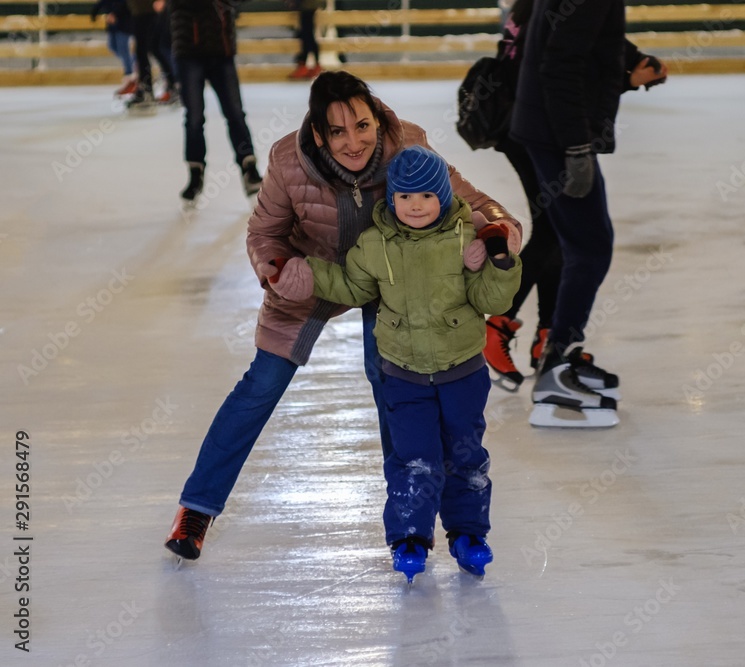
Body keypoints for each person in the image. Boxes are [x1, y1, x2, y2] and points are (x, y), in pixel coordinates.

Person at [164, 71, 522, 562]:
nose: (353, 141)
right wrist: (277, 270)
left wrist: (500, 229)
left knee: (392, 386)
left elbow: (471, 202)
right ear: (318, 134)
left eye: (362, 125)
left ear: (377, 119)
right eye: (338, 131)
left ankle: (414, 522)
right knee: (261, 385)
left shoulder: (407, 145)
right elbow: (263, 233)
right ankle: (197, 508)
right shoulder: (288, 162)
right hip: (313, 279)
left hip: (392, 281)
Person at [269, 146, 521, 581]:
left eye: (425, 196)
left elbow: (491, 300)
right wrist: (307, 274)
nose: (415, 205)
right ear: (392, 201)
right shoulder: (374, 244)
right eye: (405, 197)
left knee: (464, 455)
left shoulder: (466, 239)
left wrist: (498, 263)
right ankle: (409, 536)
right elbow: (351, 287)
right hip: (403, 374)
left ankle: (469, 534)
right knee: (414, 458)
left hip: (462, 371)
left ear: (442, 196)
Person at [483, 0, 666, 392]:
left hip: (543, 126)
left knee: (569, 239)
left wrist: (629, 65)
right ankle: (554, 359)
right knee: (588, 244)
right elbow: (560, 64)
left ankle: (552, 348)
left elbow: (580, 46)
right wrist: (577, 146)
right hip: (552, 131)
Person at [168, 0, 263, 203]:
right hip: (189, 52)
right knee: (194, 117)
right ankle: (195, 173)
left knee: (235, 113)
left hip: (222, 50)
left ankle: (249, 168)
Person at [125, 0, 177, 110]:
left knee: (149, 50)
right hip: (140, 10)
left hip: (149, 11)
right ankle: (170, 86)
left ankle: (149, 90)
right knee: (150, 50)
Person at [91, 0, 136, 98]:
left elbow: (125, 3)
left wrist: (114, 13)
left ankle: (130, 76)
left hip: (124, 22)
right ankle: (133, 64)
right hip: (113, 25)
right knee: (113, 46)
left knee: (123, 49)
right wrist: (95, 12)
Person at [288, 0, 324, 80]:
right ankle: (313, 66)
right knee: (307, 35)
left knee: (307, 35)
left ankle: (305, 66)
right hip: (308, 5)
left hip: (307, 5)